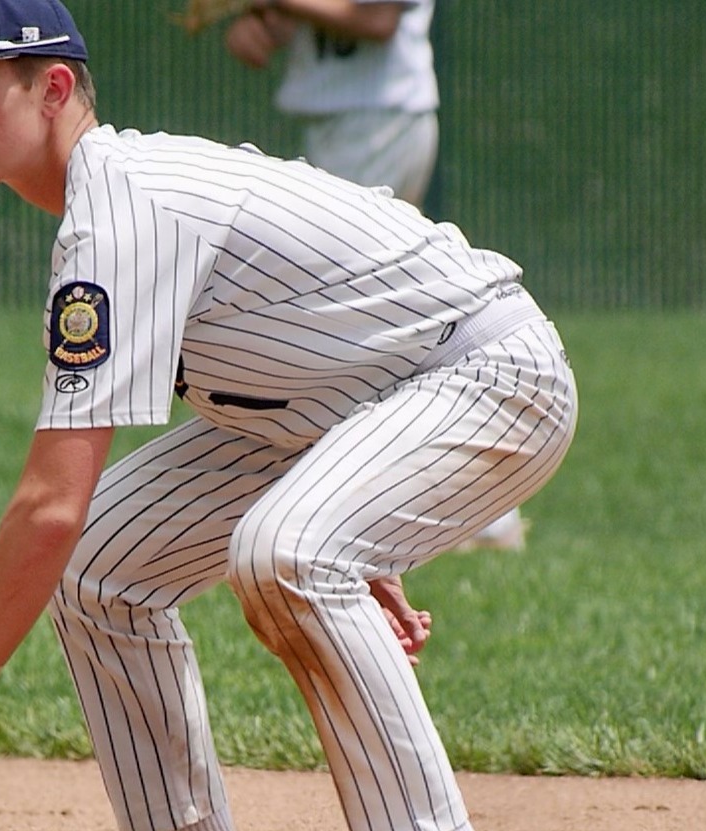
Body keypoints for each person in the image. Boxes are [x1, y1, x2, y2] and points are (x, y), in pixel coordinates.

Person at [0, 0, 577, 831]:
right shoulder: (110, 202)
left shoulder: (122, 214)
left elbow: (49, 501)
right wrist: (362, 518)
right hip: (358, 397)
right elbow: (309, 342)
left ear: (55, 87)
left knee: (286, 550)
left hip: (491, 375)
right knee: (101, 564)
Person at [224, 0, 528, 551]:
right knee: (386, 318)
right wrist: (264, 23)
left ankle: (471, 502)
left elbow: (379, 18)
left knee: (339, 316)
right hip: (352, 122)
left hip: (379, 121)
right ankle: (479, 503)